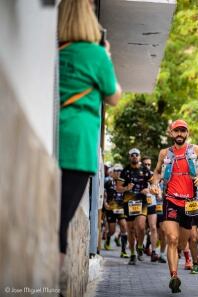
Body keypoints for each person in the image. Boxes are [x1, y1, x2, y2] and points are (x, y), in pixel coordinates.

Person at [57, 0, 121, 262]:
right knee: (59, 224)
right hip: (78, 146)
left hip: (52, 137)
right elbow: (114, 96)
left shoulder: (55, 51)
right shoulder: (93, 54)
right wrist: (105, 57)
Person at [151, 120, 198, 294]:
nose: (179, 134)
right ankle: (174, 277)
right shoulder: (165, 153)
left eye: (182, 131)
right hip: (170, 200)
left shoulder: (196, 150)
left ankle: (178, 255)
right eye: (176, 131)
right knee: (171, 238)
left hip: (189, 203)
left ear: (187, 133)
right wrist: (155, 184)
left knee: (182, 242)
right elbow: (156, 172)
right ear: (171, 133)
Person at [117, 148, 153, 265]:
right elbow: (118, 187)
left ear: (139, 156)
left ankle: (140, 246)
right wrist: (127, 188)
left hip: (142, 201)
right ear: (129, 157)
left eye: (136, 155)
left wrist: (149, 189)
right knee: (131, 229)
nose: (134, 157)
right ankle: (132, 254)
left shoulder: (145, 170)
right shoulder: (125, 171)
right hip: (129, 201)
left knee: (141, 226)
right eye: (132, 155)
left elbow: (154, 183)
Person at [103, 164, 129, 258]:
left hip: (121, 208)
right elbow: (104, 193)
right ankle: (108, 239)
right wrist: (105, 203)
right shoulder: (108, 182)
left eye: (120, 171)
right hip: (111, 208)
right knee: (112, 230)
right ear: (112, 173)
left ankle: (123, 251)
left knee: (124, 226)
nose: (118, 172)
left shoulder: (124, 182)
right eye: (116, 171)